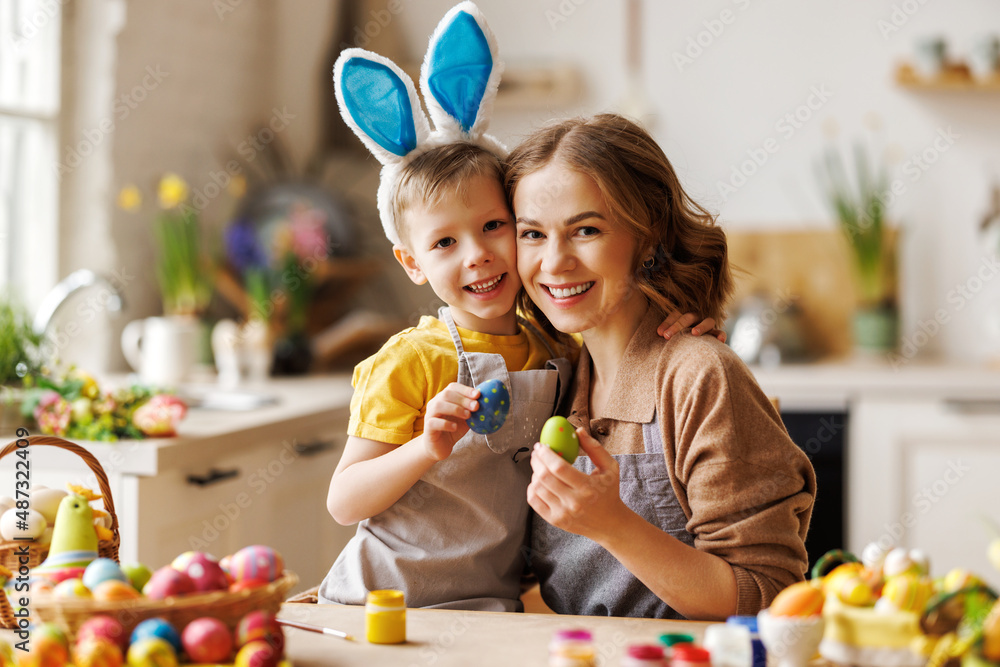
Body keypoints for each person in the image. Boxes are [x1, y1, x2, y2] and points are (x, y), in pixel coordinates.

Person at [319, 5, 719, 612]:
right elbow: (344, 502)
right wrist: (425, 448)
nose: (477, 256)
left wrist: (677, 331)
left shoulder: (556, 347)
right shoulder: (409, 360)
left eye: (493, 226)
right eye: (445, 243)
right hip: (385, 608)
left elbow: (625, 347)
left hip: (489, 611)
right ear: (412, 264)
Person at [507, 114, 817, 621]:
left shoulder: (700, 377)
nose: (555, 262)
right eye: (533, 234)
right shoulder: (553, 376)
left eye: (585, 230)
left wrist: (611, 523)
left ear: (647, 237)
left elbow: (767, 597)